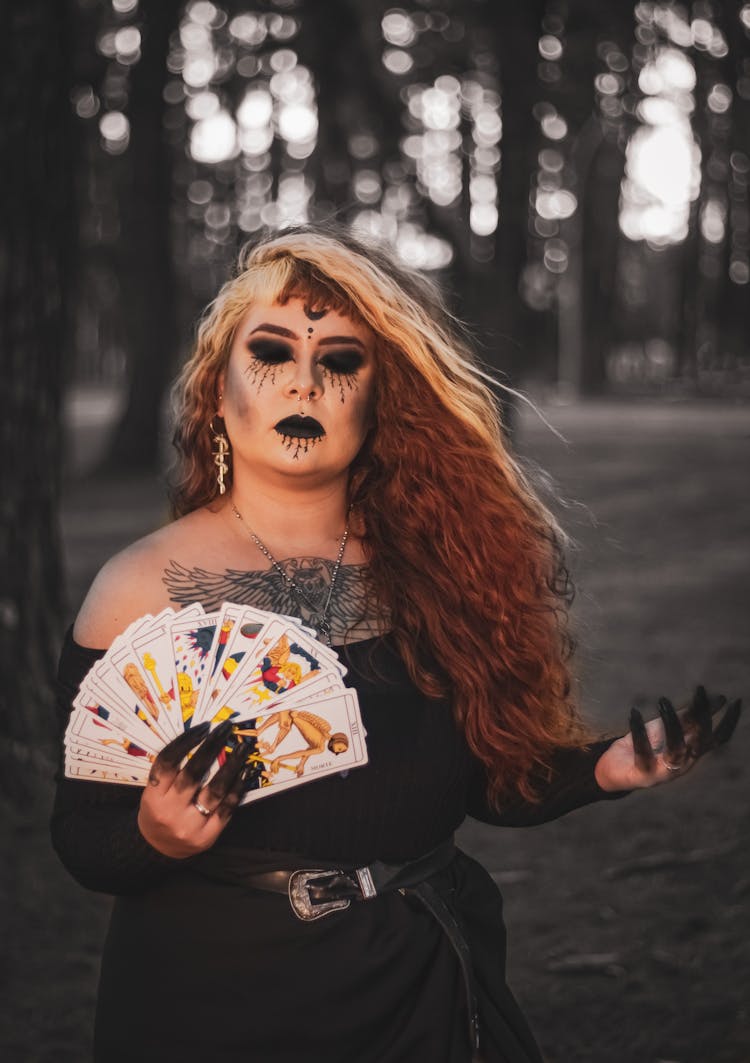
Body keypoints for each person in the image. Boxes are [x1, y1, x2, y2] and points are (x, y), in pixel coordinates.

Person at [51, 225, 741, 1063]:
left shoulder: (439, 570)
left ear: (380, 401)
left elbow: (488, 782)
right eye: (272, 350)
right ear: (219, 394)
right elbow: (84, 838)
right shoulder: (140, 588)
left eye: (342, 361)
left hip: (414, 985)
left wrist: (609, 767)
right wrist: (155, 833)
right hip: (211, 994)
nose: (306, 378)